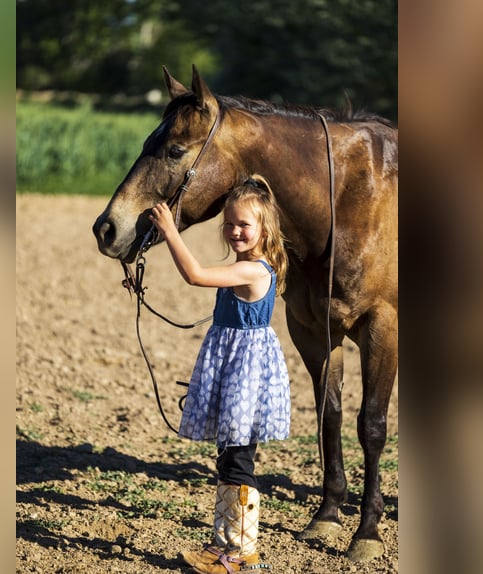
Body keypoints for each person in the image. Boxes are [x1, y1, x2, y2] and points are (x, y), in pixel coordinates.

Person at [148, 175, 291, 574]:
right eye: (229, 223)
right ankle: (226, 547)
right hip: (234, 372)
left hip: (243, 378)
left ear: (265, 229)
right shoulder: (244, 267)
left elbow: (194, 274)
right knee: (230, 459)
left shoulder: (255, 271)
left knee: (237, 462)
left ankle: (240, 555)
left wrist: (170, 232)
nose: (234, 230)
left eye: (244, 224)